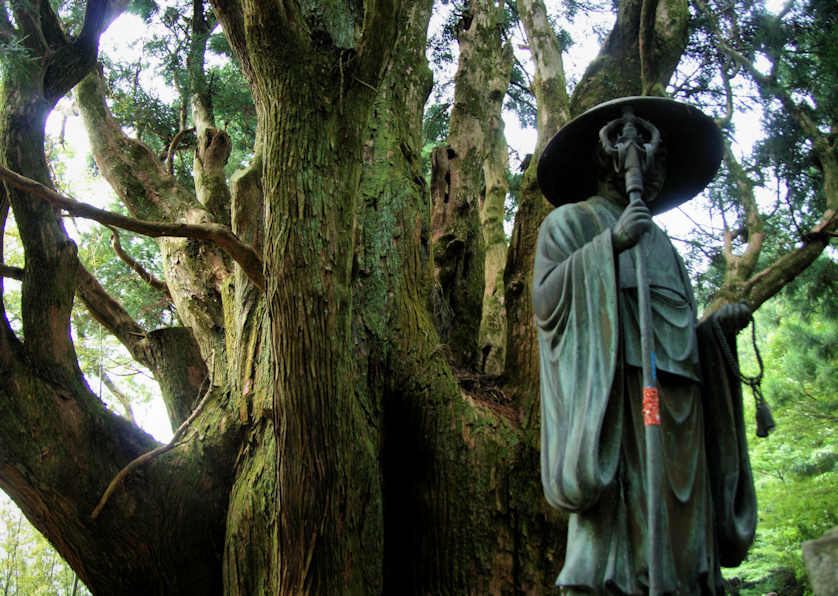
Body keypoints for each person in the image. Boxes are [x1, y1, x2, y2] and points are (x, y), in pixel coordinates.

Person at [533, 97, 757, 594]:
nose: (650, 170)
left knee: (682, 513)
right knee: (625, 512)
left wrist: (716, 332)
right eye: (641, 157)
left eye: (660, 163)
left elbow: (684, 328)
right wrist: (607, 246)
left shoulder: (666, 247)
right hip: (620, 393)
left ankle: (686, 579)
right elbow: (547, 303)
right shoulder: (570, 223)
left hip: (681, 397)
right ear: (606, 160)